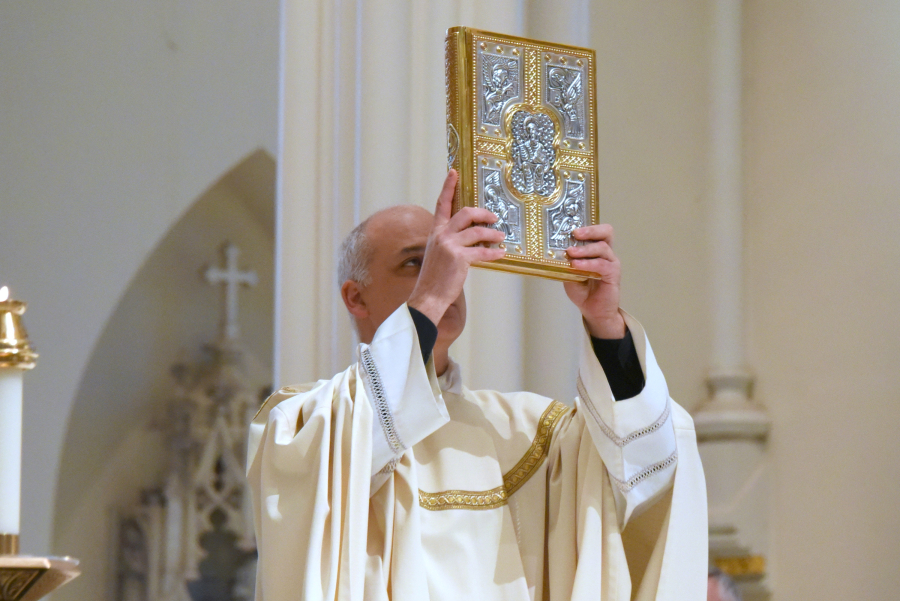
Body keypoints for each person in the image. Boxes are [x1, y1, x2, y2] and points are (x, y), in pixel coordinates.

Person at [247, 170, 707, 600]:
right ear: (356, 297)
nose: (446, 276)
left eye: (449, 261)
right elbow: (348, 441)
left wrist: (605, 323)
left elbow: (647, 464)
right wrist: (427, 299)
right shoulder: (303, 423)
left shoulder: (529, 432)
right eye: (416, 263)